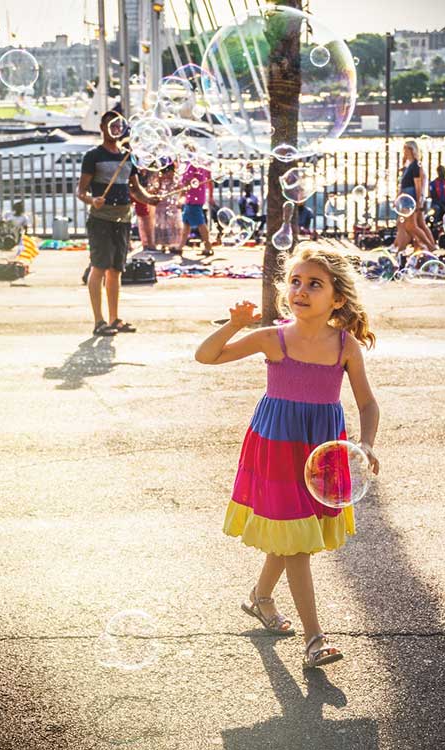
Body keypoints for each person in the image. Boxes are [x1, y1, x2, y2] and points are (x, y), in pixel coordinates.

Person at [194, 246, 380, 669]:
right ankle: (315, 638)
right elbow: (206, 356)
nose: (301, 290)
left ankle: (261, 597)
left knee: (295, 533)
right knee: (296, 542)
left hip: (322, 448)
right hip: (277, 447)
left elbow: (368, 404)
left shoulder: (345, 346)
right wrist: (234, 324)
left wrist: (366, 442)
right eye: (295, 281)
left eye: (314, 284)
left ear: (337, 298)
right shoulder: (272, 338)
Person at [77, 110, 161, 337]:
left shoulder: (127, 156)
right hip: (101, 220)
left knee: (116, 270)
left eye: (118, 126)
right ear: (102, 128)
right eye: (110, 125)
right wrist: (92, 200)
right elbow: (81, 191)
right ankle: (99, 321)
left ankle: (114, 319)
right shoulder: (93, 156)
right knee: (99, 267)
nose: (115, 129)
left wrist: (150, 199)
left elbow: (135, 189)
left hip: (123, 220)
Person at [393, 139, 436, 254]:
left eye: (405, 149)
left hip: (410, 199)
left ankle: (430, 246)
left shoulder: (415, 165)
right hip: (407, 198)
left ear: (411, 150)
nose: (404, 152)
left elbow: (418, 184)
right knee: (417, 224)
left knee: (411, 226)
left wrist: (418, 201)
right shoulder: (410, 165)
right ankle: (406, 247)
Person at [179, 161, 214, 257]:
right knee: (186, 222)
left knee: (200, 222)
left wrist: (181, 195)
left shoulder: (192, 165)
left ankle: (208, 246)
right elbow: (210, 179)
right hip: (197, 196)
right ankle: (180, 247)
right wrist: (210, 195)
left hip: (192, 197)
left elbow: (187, 180)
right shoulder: (200, 164)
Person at [152, 164, 183, 253]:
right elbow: (155, 190)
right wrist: (160, 182)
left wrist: (180, 200)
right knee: (162, 225)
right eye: (166, 173)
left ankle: (173, 244)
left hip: (172, 205)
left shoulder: (175, 181)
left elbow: (181, 189)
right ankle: (163, 244)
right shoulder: (159, 180)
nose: (168, 175)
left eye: (170, 172)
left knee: (172, 225)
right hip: (161, 206)